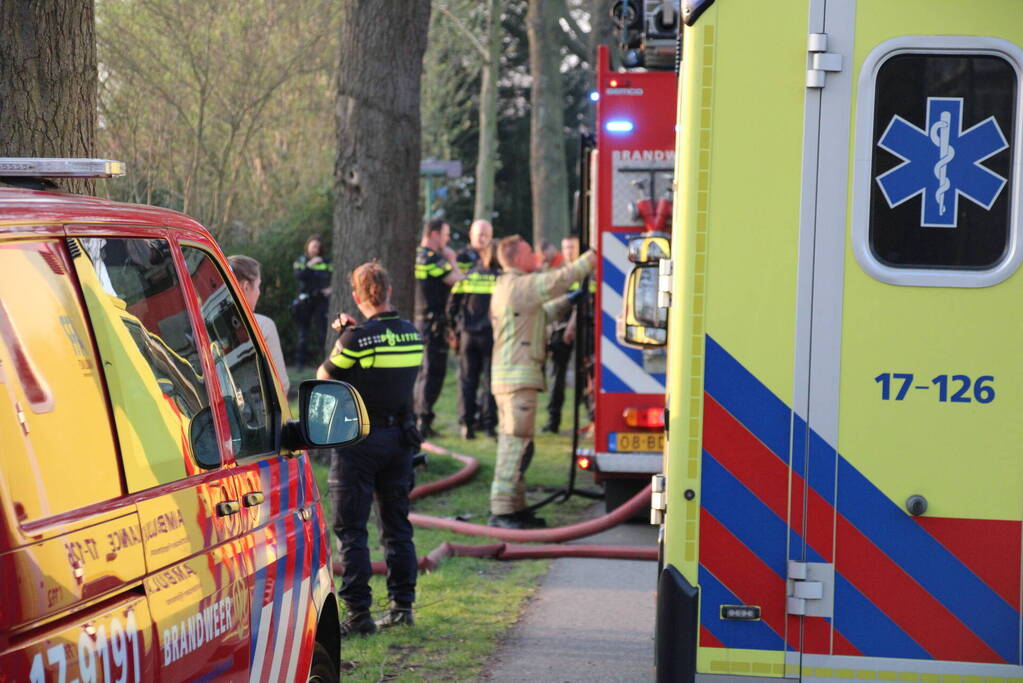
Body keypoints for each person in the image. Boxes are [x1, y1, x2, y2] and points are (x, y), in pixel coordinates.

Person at [316, 261, 421, 637]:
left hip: (359, 443)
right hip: (400, 442)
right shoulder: (413, 334)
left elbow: (324, 377)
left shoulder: (355, 339)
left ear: (359, 296)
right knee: (397, 526)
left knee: (352, 530)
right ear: (388, 291)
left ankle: (359, 615)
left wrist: (346, 335)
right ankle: (402, 606)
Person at [489, 235, 596, 529]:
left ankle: (517, 507)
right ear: (515, 258)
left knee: (521, 443)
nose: (534, 255)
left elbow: (540, 314)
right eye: (528, 251)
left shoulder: (508, 287)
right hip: (517, 380)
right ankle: (502, 510)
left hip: (509, 378)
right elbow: (558, 279)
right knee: (515, 442)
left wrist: (569, 302)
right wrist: (593, 256)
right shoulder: (521, 285)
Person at [413, 218, 464, 437]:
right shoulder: (434, 259)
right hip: (433, 324)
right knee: (433, 372)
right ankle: (424, 421)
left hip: (418, 320)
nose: (448, 239)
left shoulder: (415, 256)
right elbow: (458, 281)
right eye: (445, 234)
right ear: (434, 234)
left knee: (423, 371)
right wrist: (452, 260)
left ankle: (419, 417)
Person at [447, 243, 499, 440]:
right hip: (491, 337)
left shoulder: (468, 276)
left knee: (468, 382)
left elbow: (451, 307)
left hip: (468, 336)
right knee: (490, 382)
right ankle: (488, 426)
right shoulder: (500, 278)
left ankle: (467, 425)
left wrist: (455, 330)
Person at [228, 255, 290, 397]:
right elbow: (280, 387)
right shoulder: (263, 326)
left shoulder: (197, 326)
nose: (259, 292)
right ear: (246, 287)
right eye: (258, 286)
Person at [542, 236, 583, 433]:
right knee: (557, 375)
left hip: (582, 329)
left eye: (572, 247)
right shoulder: (558, 273)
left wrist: (572, 326)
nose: (568, 251)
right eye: (565, 247)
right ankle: (553, 422)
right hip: (559, 330)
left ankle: (591, 418)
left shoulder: (585, 274)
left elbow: (583, 302)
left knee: (586, 375)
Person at [292, 234, 332, 368]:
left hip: (321, 300)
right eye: (314, 246)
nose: (316, 249)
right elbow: (298, 275)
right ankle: (300, 364)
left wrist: (331, 289)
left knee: (322, 333)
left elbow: (334, 276)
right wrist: (310, 264)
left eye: (318, 247)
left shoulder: (325, 262)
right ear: (308, 246)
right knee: (303, 333)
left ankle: (324, 363)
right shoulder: (301, 261)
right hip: (305, 300)